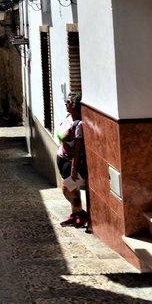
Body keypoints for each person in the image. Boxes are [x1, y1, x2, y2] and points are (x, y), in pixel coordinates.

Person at [56, 92, 88, 228]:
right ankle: (75, 215)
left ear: (74, 105)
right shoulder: (68, 117)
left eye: (68, 102)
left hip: (70, 161)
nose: (66, 103)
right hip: (62, 158)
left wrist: (74, 169)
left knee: (67, 188)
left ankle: (80, 213)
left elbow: (77, 149)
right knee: (71, 188)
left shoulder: (78, 124)